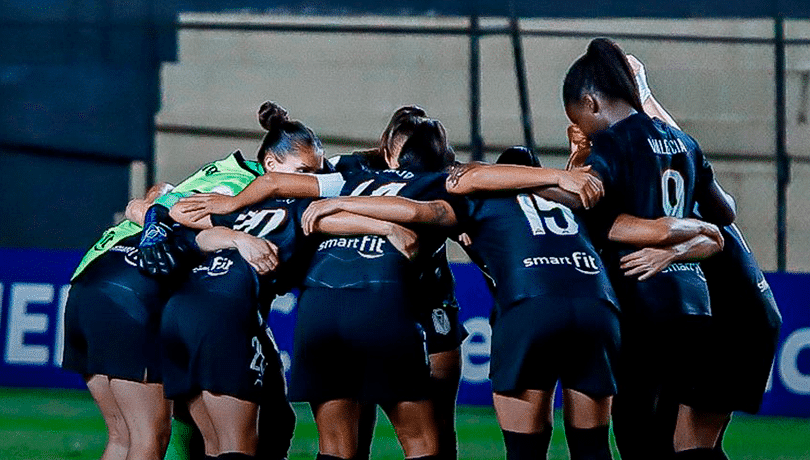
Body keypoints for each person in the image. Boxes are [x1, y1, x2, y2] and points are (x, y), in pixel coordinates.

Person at [161, 104, 427, 460]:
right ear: (273, 165)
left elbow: (182, 219)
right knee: (237, 445)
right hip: (226, 314)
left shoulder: (238, 202)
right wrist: (385, 226)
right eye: (304, 172)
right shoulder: (298, 206)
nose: (308, 180)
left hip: (179, 309)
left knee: (216, 441)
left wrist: (231, 232)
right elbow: (329, 221)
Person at [562, 38, 736, 460]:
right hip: (695, 305)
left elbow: (590, 214)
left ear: (591, 103)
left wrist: (658, 231)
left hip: (642, 302)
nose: (582, 128)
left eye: (579, 118)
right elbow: (723, 214)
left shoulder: (613, 143)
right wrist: (682, 233)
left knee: (638, 437)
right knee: (680, 441)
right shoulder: (684, 143)